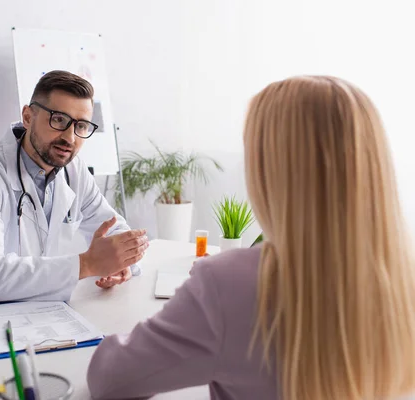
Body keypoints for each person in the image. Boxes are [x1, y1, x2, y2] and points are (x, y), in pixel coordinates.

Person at [86, 76, 415, 400]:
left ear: (272, 170)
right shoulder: (403, 279)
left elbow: (109, 380)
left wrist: (185, 310)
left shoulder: (232, 284)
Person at [0, 70, 148, 312]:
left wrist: (121, 263)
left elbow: (114, 229)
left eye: (81, 126)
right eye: (58, 120)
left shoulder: (73, 170)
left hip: (37, 314)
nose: (69, 137)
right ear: (28, 117)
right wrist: (85, 265)